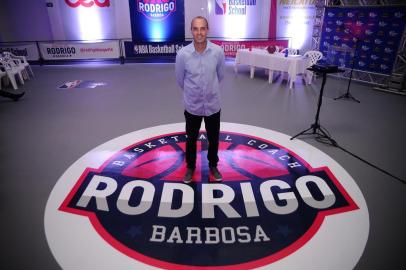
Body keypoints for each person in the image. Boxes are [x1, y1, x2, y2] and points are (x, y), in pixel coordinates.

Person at [175, 16, 225, 184]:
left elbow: (221, 75)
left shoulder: (218, 52)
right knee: (191, 139)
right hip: (192, 106)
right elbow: (180, 79)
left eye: (202, 28)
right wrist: (194, 93)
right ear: (191, 31)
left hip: (213, 105)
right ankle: (190, 167)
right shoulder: (183, 54)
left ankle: (213, 165)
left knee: (214, 138)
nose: (199, 32)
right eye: (195, 29)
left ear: (207, 30)